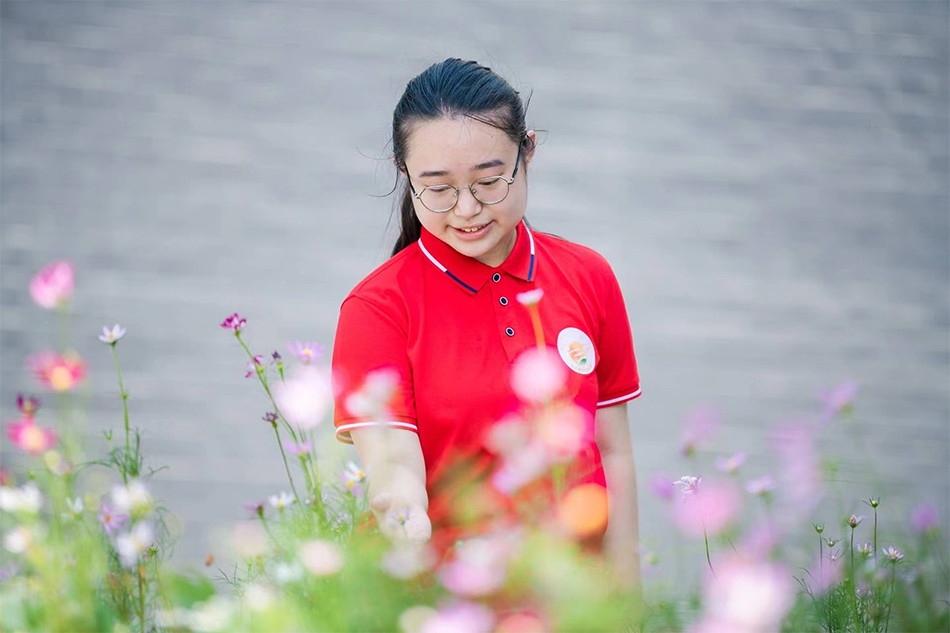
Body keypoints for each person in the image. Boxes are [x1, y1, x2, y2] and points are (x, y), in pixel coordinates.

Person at [330, 58, 642, 588]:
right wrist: (403, 512)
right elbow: (393, 463)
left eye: (490, 181)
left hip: (574, 602)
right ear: (403, 173)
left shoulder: (587, 275)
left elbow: (611, 451)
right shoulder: (378, 308)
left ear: (529, 151)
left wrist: (626, 602)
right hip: (449, 602)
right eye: (439, 189)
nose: (468, 209)